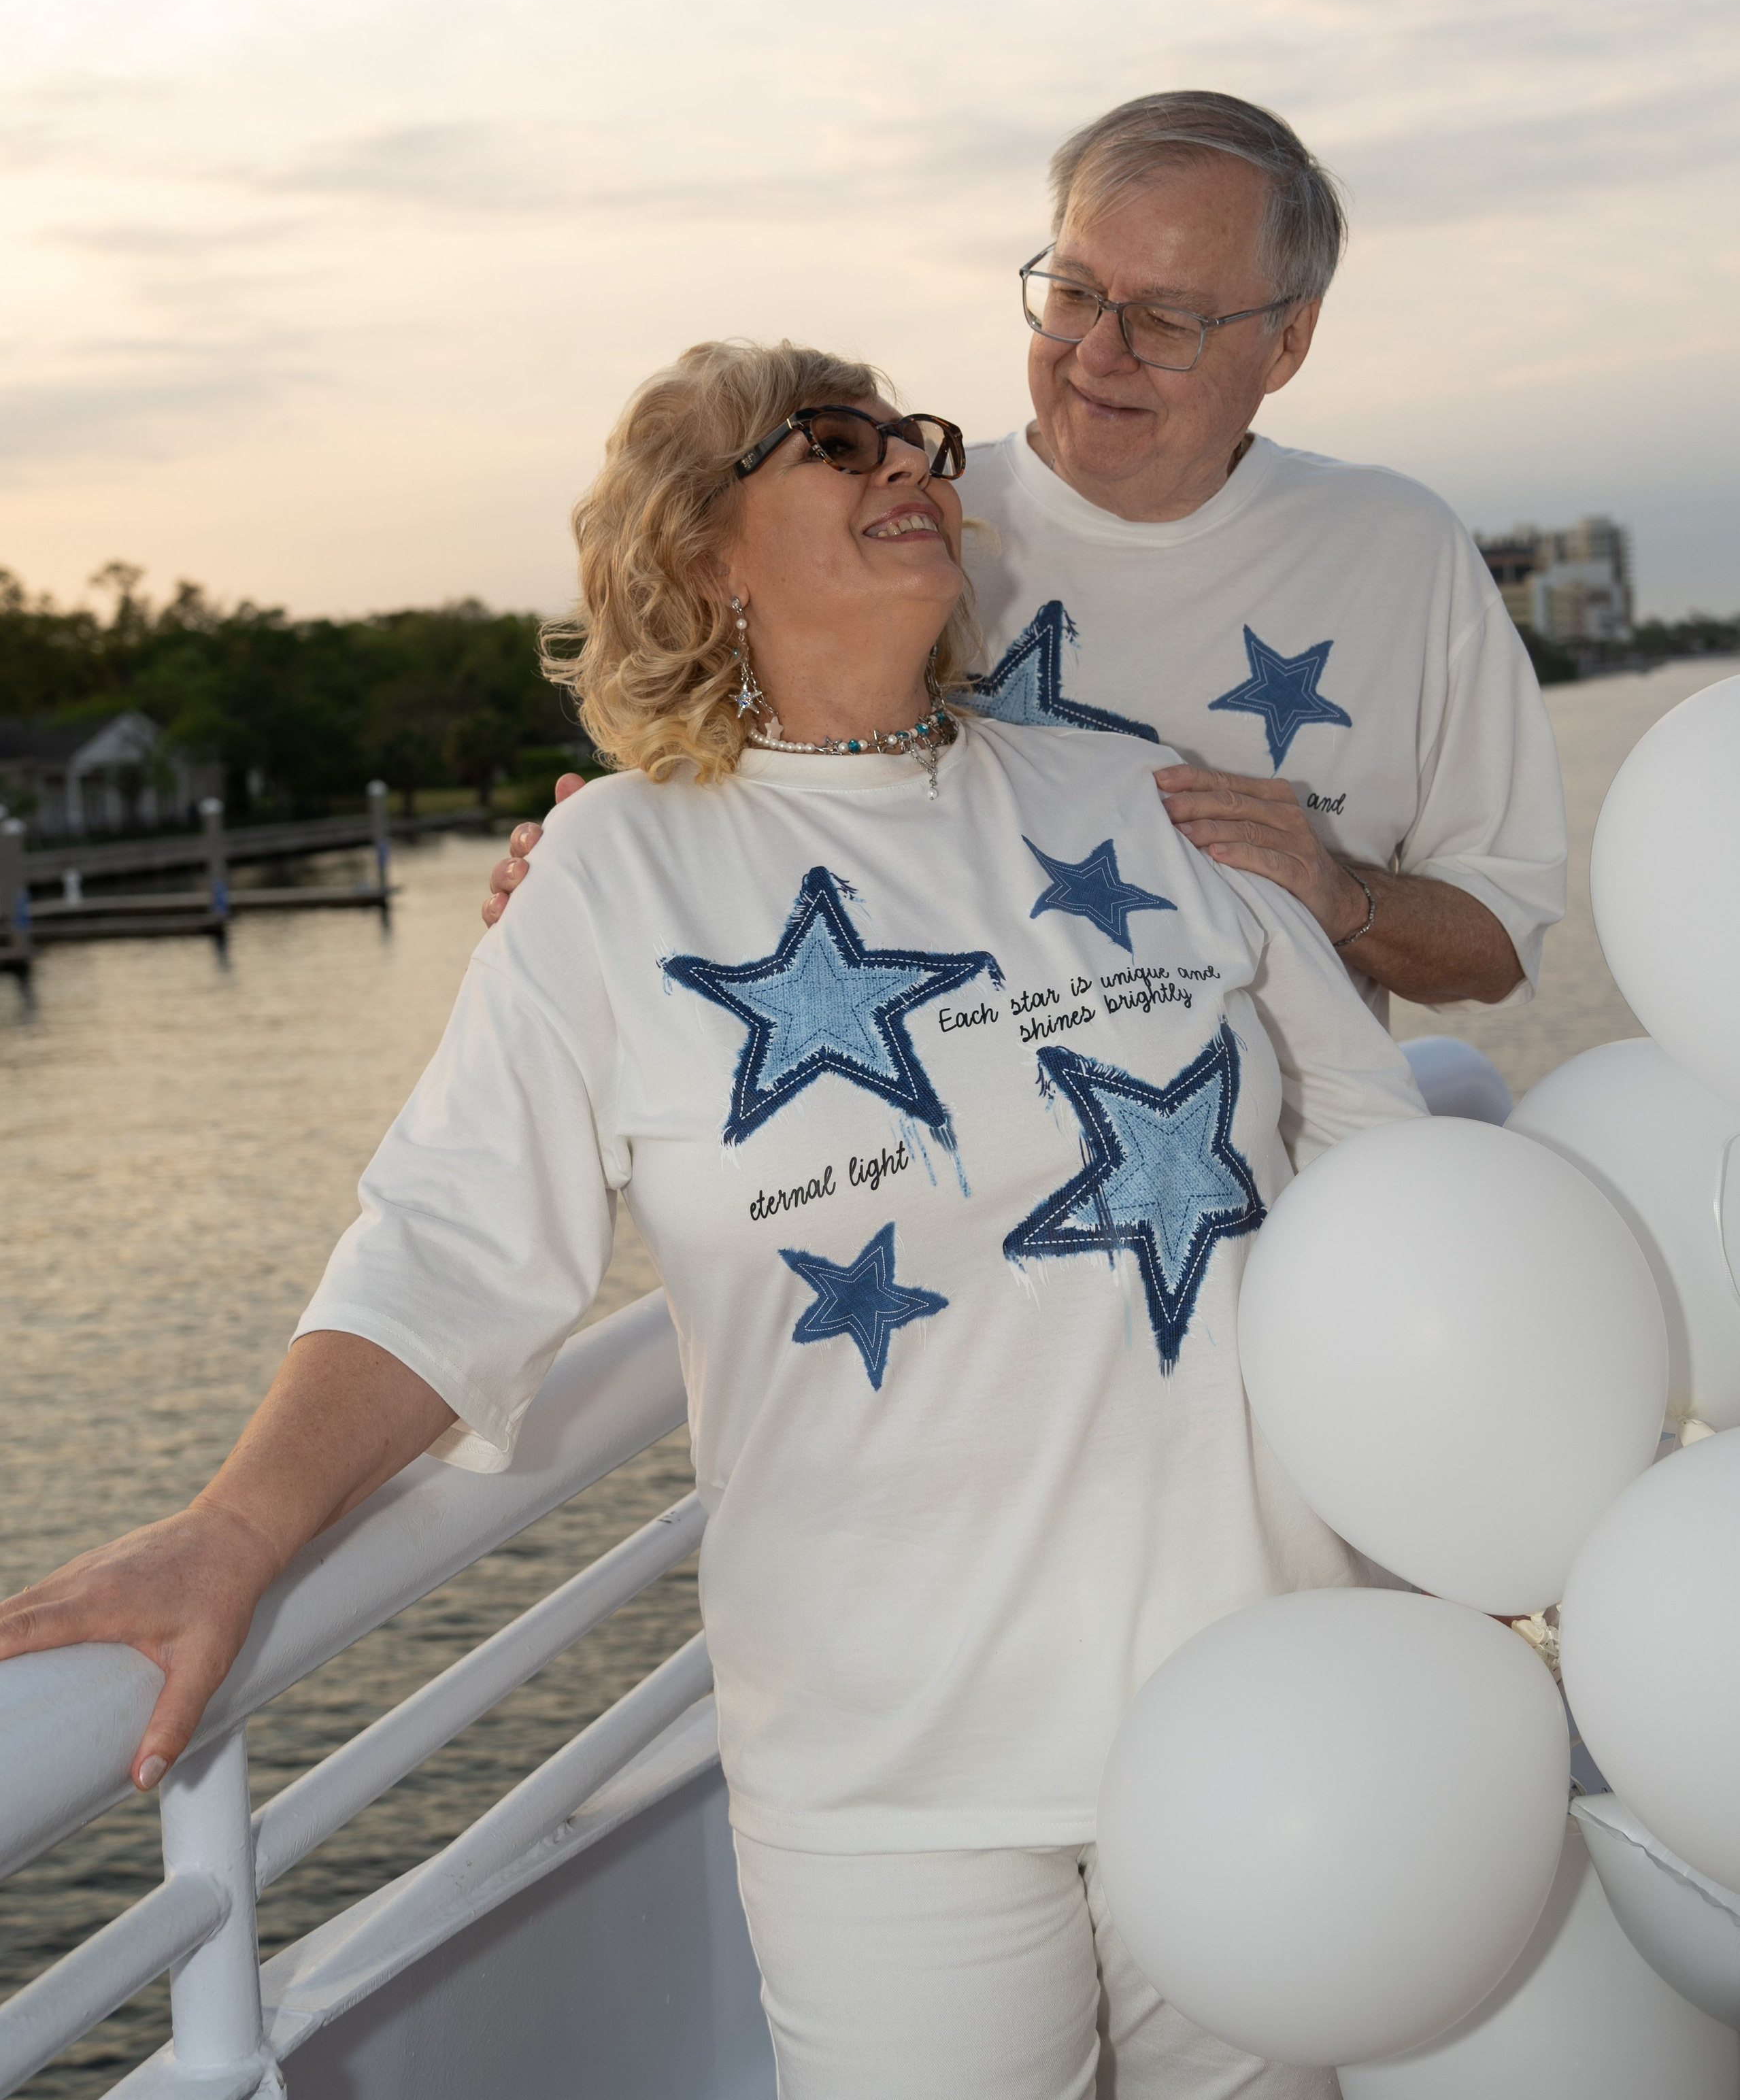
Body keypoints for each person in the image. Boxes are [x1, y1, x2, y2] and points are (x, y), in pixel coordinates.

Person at [0, 340, 1425, 2100]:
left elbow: (1380, 1168)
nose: (911, 459)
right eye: (832, 441)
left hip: (1252, 1707)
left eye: (911, 432)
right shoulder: (609, 878)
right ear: (700, 554)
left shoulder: (1134, 795)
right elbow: (451, 1246)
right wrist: (234, 1527)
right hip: (888, 1780)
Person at [487, 95, 1567, 1023]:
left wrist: (1336, 895)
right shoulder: (903, 540)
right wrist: (584, 880)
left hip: (1306, 1210)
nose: (1099, 354)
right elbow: (735, 794)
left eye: (1167, 319)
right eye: (1074, 293)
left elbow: (1497, 949)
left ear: (1287, 342)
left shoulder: (1398, 549)